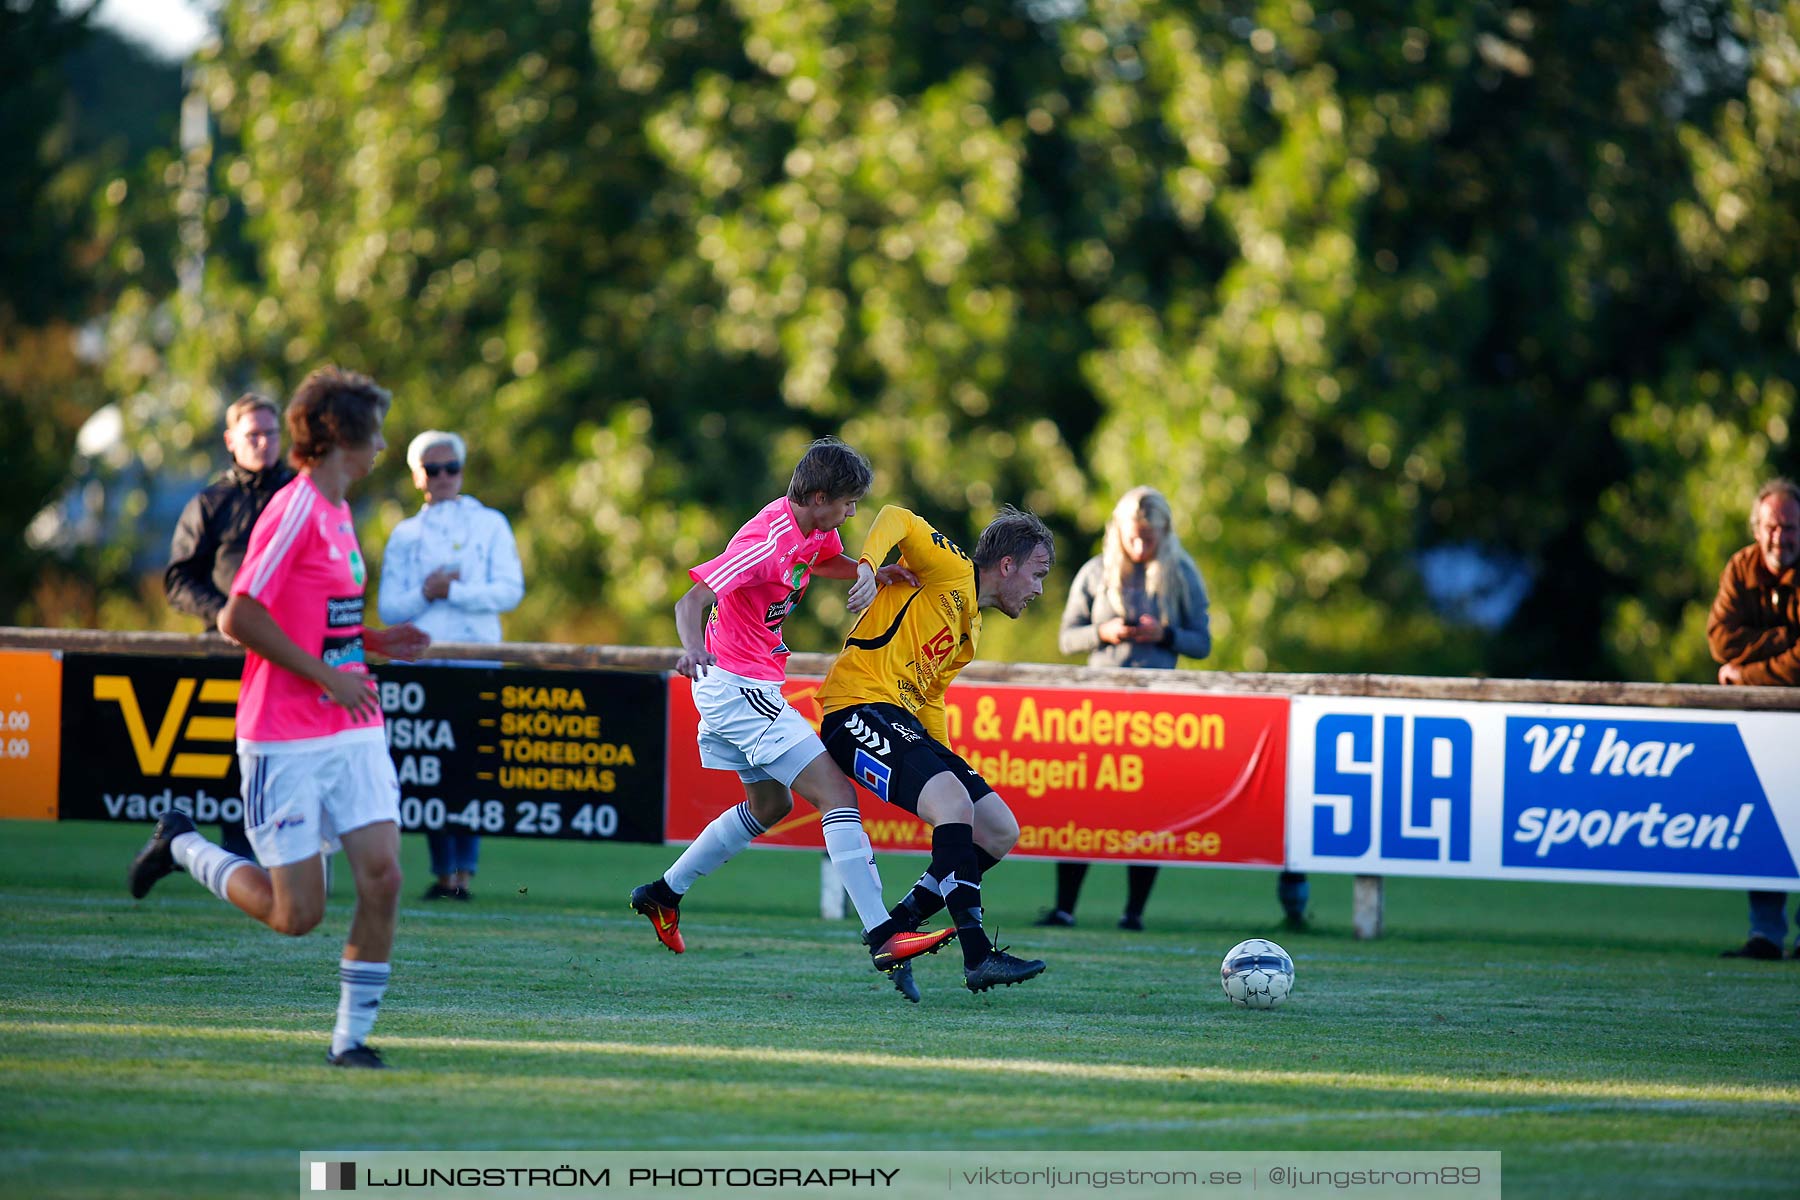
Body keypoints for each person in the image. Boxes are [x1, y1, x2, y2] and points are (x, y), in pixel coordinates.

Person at [127, 366, 430, 1068]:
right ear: (342, 440)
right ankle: (181, 845)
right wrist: (326, 674)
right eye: (375, 432)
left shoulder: (340, 509)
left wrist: (371, 643)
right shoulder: (294, 508)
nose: (383, 445)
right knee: (297, 916)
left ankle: (350, 1044)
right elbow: (238, 615)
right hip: (285, 736)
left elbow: (322, 618)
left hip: (351, 725)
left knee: (383, 877)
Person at [626, 438, 956, 983]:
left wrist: (870, 572)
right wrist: (690, 648)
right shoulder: (764, 540)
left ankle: (662, 894)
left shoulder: (817, 531)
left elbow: (823, 561)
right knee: (837, 793)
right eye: (848, 502)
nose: (853, 513)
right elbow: (691, 601)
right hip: (734, 684)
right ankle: (883, 933)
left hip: (750, 684)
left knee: (770, 805)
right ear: (819, 495)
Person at [815, 503, 1057, 999]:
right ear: (1007, 565)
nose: (1039, 589)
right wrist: (865, 567)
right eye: (1038, 574)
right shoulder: (949, 568)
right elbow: (895, 516)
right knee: (954, 805)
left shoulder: (968, 632)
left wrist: (948, 764)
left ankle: (896, 928)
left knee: (997, 829)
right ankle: (977, 956)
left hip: (899, 719)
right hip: (854, 707)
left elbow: (928, 699)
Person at [1036, 486, 1212, 931]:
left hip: (1157, 713)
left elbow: (1202, 642)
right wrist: (1105, 631)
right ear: (1118, 531)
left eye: (1149, 537)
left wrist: (1165, 635)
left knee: (1148, 812)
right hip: (1100, 709)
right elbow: (1067, 638)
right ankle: (1065, 907)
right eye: (1133, 535)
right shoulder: (1096, 572)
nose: (1139, 545)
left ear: (1164, 533)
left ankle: (1133, 912)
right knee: (1084, 807)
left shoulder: (1181, 574)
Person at [378, 430, 524, 901]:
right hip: (424, 661)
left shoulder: (491, 524)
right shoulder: (405, 534)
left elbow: (509, 590)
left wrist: (453, 590)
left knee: (472, 766)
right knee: (431, 768)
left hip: (477, 660)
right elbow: (388, 608)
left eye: (450, 468)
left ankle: (465, 873)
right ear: (418, 475)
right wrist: (427, 591)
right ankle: (444, 873)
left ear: (461, 472)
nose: (442, 478)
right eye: (432, 469)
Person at [164, 392, 296, 860]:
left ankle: (288, 858)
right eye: (252, 435)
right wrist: (223, 614)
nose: (263, 443)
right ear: (230, 441)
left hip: (291, 653)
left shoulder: (301, 496)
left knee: (290, 760)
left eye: (271, 434)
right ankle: (233, 858)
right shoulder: (210, 502)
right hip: (227, 655)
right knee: (231, 764)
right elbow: (177, 578)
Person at [1708, 476, 1800, 961]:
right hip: (1762, 727)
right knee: (1765, 824)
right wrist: (1786, 638)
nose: (1779, 537)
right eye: (1772, 526)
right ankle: (1765, 935)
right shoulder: (1740, 567)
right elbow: (1720, 641)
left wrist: (1745, 676)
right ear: (1756, 527)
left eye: (1789, 527)